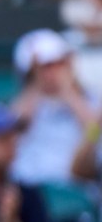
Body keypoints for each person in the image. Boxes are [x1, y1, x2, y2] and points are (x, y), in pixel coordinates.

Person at [11, 28, 101, 185]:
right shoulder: (25, 103)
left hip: (77, 190)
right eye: (47, 65)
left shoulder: (90, 99)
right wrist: (36, 82)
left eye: (61, 62)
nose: (57, 70)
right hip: (31, 190)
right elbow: (15, 125)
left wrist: (67, 91)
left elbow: (94, 129)